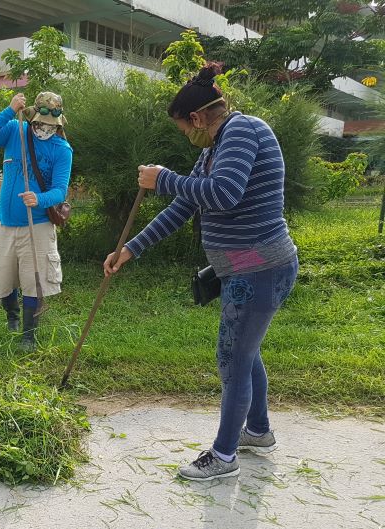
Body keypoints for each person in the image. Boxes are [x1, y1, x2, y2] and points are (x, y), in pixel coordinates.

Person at [103, 64, 298, 481]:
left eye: (181, 128)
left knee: (233, 356)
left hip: (261, 267)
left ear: (195, 118)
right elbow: (185, 206)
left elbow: (224, 195)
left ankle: (224, 457)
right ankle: (258, 431)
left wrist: (163, 179)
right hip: (245, 267)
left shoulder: (243, 132)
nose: (185, 136)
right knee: (246, 351)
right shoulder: (214, 148)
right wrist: (129, 250)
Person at [0, 91, 73, 350]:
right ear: (31, 118)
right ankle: (12, 316)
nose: (44, 129)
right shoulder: (14, 130)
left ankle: (29, 335)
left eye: (51, 125)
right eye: (40, 123)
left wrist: (38, 199)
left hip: (37, 225)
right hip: (5, 223)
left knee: (34, 282)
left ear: (58, 124)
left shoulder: (62, 150)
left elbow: (60, 191)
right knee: (2, 278)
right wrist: (8, 110)